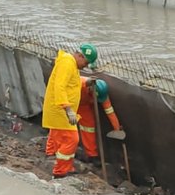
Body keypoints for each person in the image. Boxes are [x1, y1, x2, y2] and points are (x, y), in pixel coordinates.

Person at [42, 44, 98, 178]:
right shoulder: (67, 62)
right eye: (86, 62)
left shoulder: (71, 64)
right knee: (71, 139)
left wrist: (86, 82)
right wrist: (68, 109)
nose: (86, 66)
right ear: (80, 56)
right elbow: (59, 86)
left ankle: (55, 158)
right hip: (60, 110)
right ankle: (61, 172)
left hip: (60, 109)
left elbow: (72, 81)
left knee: (58, 136)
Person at [76, 78, 122, 163]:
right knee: (83, 126)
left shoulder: (102, 92)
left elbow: (109, 111)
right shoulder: (78, 84)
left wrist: (117, 128)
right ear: (90, 89)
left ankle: (92, 155)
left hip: (86, 102)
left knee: (89, 128)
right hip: (76, 102)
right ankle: (53, 149)